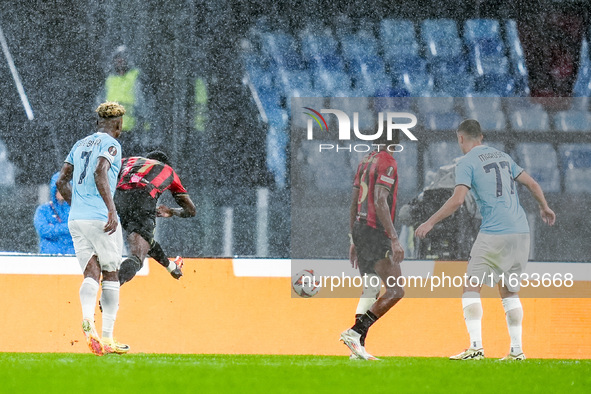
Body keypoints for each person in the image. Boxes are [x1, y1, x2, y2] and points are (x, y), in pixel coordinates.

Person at [415, 119, 556, 361]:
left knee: (471, 286)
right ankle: (517, 351)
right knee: (509, 291)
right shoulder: (502, 156)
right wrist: (544, 207)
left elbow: (458, 200)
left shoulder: (466, 162)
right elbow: (532, 183)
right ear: (481, 137)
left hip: (495, 231)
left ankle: (476, 347)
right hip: (521, 231)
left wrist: (430, 222)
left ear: (461, 138)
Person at [56, 101, 129, 356]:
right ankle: (107, 337)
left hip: (76, 219)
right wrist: (110, 209)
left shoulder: (80, 144)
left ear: (97, 122)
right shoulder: (113, 144)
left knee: (90, 272)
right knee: (111, 273)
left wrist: (78, 204)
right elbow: (100, 171)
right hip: (100, 217)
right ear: (118, 125)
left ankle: (88, 321)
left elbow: (60, 180)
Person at [340, 133, 405, 361]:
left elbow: (354, 200)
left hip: (360, 229)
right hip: (376, 232)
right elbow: (380, 200)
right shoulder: (388, 161)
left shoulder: (365, 160)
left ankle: (358, 349)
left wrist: (352, 238)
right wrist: (394, 238)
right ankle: (355, 332)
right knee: (396, 291)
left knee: (371, 287)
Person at [115, 150, 196, 286]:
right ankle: (112, 287)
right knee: (137, 257)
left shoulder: (128, 161)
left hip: (119, 198)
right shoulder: (168, 170)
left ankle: (171, 266)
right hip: (144, 196)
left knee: (144, 240)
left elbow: (102, 172)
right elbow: (191, 210)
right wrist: (172, 211)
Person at [33, 172, 75, 254]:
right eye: (58, 188)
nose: (61, 191)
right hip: (49, 257)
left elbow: (82, 230)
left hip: (73, 258)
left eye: (65, 187)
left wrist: (54, 229)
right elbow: (43, 230)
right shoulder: (43, 210)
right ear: (53, 189)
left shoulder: (78, 209)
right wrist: (69, 227)